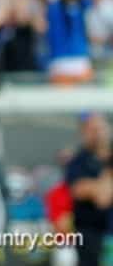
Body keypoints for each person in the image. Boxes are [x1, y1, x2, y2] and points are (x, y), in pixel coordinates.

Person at [64, 113, 113, 266]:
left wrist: (98, 186)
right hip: (90, 236)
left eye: (100, 128)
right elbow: (96, 197)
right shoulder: (78, 162)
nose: (97, 133)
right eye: (92, 129)